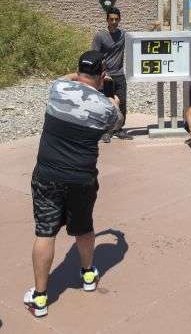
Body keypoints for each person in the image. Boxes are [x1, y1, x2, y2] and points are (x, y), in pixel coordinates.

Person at [24, 51, 122, 318]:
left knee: (45, 232)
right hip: (82, 178)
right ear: (102, 76)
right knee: (84, 227)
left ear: (78, 72)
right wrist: (112, 99)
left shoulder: (58, 88)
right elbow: (117, 123)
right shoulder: (106, 108)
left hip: (47, 175)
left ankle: (41, 297)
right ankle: (88, 275)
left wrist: (81, 76)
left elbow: (68, 77)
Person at [91, 7, 132, 142]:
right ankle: (106, 131)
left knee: (122, 103)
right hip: (105, 76)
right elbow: (95, 56)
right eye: (111, 19)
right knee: (107, 104)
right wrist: (102, 74)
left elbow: (138, 41)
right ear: (107, 20)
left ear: (119, 19)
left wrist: (153, 30)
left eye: (116, 19)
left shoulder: (123, 35)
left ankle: (119, 129)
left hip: (119, 74)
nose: (114, 21)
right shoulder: (100, 35)